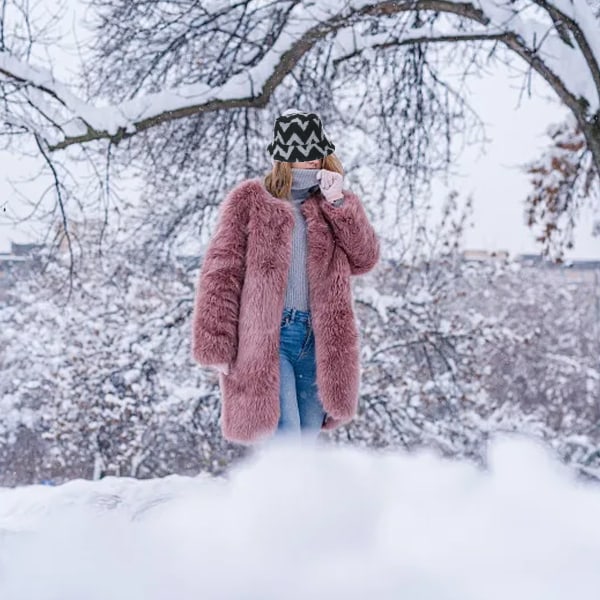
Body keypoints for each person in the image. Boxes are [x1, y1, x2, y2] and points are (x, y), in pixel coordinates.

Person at [191, 109, 380, 445]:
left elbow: (364, 258)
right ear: (282, 158)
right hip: (268, 337)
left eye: (314, 155)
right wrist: (215, 343)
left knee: (304, 443)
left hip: (321, 341)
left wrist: (338, 204)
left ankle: (294, 499)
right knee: (285, 438)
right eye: (299, 156)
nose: (308, 163)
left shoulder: (333, 205)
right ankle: (273, 497)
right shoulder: (251, 200)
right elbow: (221, 272)